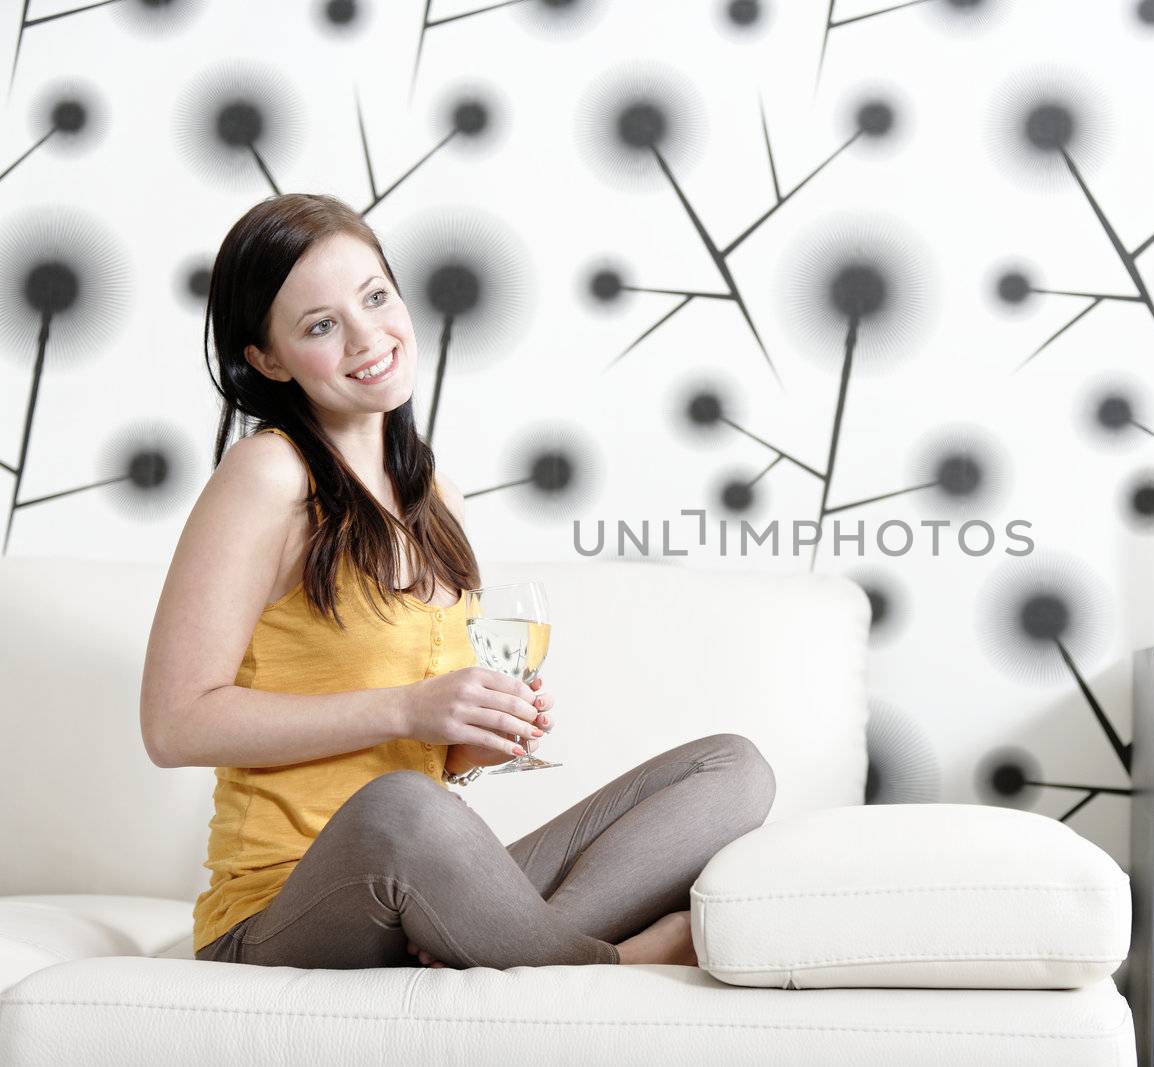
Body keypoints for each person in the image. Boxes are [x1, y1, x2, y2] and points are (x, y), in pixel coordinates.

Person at [138, 192, 776, 970]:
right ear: (268, 360)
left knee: (731, 768)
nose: (368, 337)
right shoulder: (269, 473)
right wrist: (410, 707)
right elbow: (174, 723)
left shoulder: (435, 495)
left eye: (375, 297)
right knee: (405, 810)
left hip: (417, 874)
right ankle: (614, 964)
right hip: (281, 909)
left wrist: (465, 740)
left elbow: (418, 751)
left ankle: (495, 942)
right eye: (319, 325)